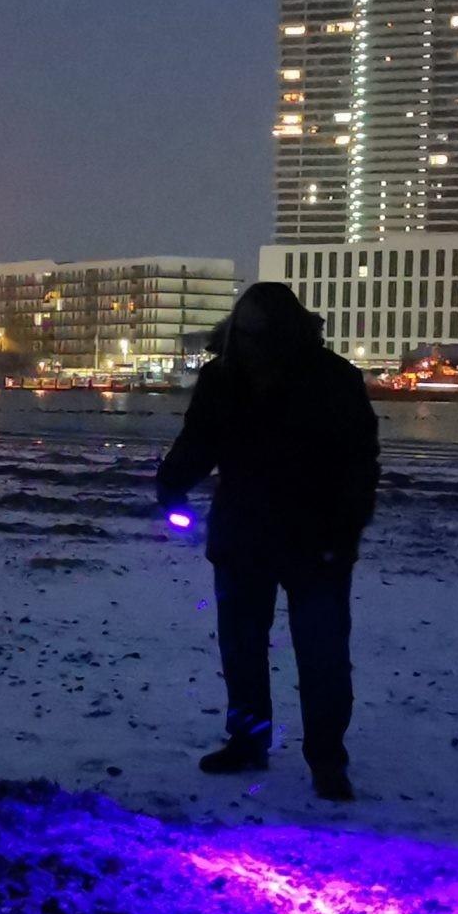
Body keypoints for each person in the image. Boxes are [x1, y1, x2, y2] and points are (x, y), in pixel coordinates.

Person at [156, 282, 380, 801]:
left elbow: (357, 462)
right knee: (263, 649)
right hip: (272, 534)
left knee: (304, 651)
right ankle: (281, 749)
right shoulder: (304, 377)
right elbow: (198, 443)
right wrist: (172, 485)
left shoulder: (320, 378)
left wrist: (171, 488)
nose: (253, 344)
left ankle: (311, 755)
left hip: (298, 534)